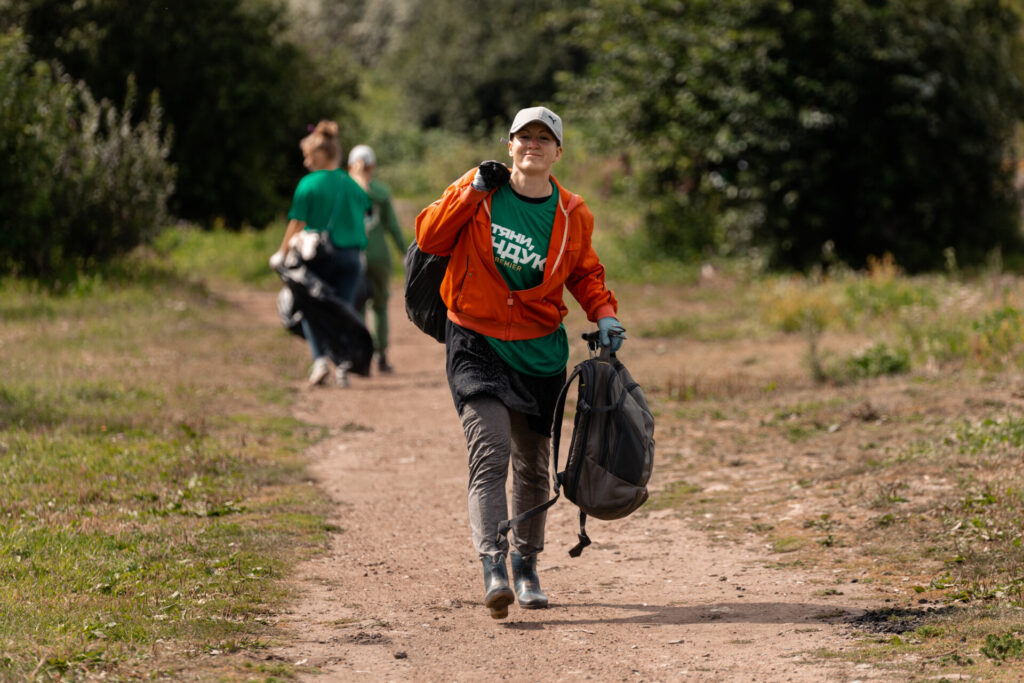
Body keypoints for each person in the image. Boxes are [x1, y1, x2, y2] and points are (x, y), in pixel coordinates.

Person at [414, 106, 625, 619]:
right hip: (476, 342)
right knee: (491, 451)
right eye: (523, 136)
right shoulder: (481, 191)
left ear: (557, 151)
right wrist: (471, 189)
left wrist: (604, 313)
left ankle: (525, 564)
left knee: (533, 465)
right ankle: (493, 566)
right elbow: (429, 237)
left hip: (539, 351)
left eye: (543, 138)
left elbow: (585, 273)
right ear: (509, 145)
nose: (533, 144)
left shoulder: (574, 212)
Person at [274, 120, 371, 387]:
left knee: (310, 307)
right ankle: (342, 366)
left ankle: (319, 362)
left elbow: (297, 223)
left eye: (307, 155)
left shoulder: (309, 184)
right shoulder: (351, 184)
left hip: (318, 258)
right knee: (343, 311)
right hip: (351, 258)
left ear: (319, 155)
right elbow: (366, 209)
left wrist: (282, 254)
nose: (305, 161)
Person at [348, 144, 406, 373]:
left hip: (354, 254)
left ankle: (361, 356)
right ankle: (381, 356)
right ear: (373, 166)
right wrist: (404, 251)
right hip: (380, 255)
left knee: (357, 307)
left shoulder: (346, 190)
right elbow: (392, 226)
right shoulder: (381, 192)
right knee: (380, 307)